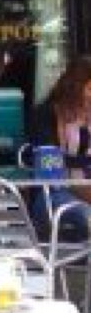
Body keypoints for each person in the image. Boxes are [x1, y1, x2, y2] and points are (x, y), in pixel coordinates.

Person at [27, 55, 91, 238]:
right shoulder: (46, 115)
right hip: (54, 195)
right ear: (74, 86)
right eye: (90, 88)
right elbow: (51, 171)